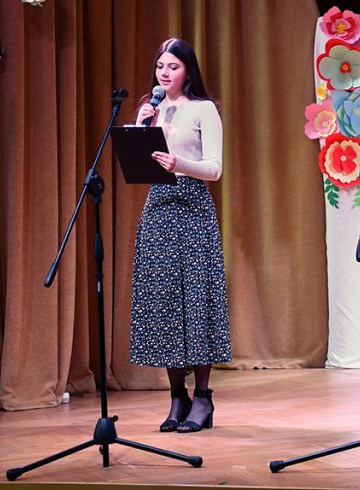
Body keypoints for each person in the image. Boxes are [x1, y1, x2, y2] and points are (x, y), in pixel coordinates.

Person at [130, 38, 231, 434]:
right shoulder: (150, 109)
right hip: (158, 208)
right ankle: (177, 397)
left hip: (192, 209)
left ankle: (203, 397)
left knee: (196, 300)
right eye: (160, 66)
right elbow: (137, 164)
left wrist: (180, 164)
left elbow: (215, 169)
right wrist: (139, 127)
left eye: (172, 66)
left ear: (188, 70)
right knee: (164, 302)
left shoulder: (204, 109)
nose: (164, 73)